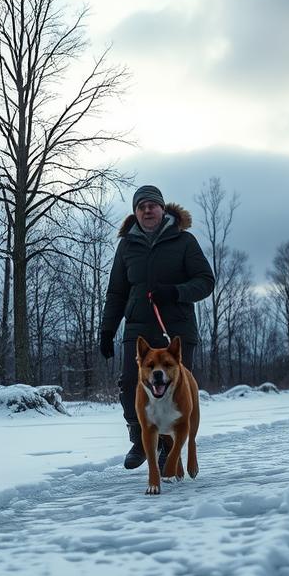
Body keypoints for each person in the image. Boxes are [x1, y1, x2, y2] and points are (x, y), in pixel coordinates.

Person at [99, 185, 216, 469]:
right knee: (131, 382)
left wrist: (175, 292)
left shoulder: (184, 241)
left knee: (174, 388)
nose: (147, 210)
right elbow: (116, 292)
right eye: (141, 207)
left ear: (163, 209)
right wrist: (107, 330)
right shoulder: (127, 246)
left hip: (175, 330)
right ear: (135, 213)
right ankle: (140, 438)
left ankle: (168, 445)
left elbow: (205, 281)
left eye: (152, 205)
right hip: (138, 329)